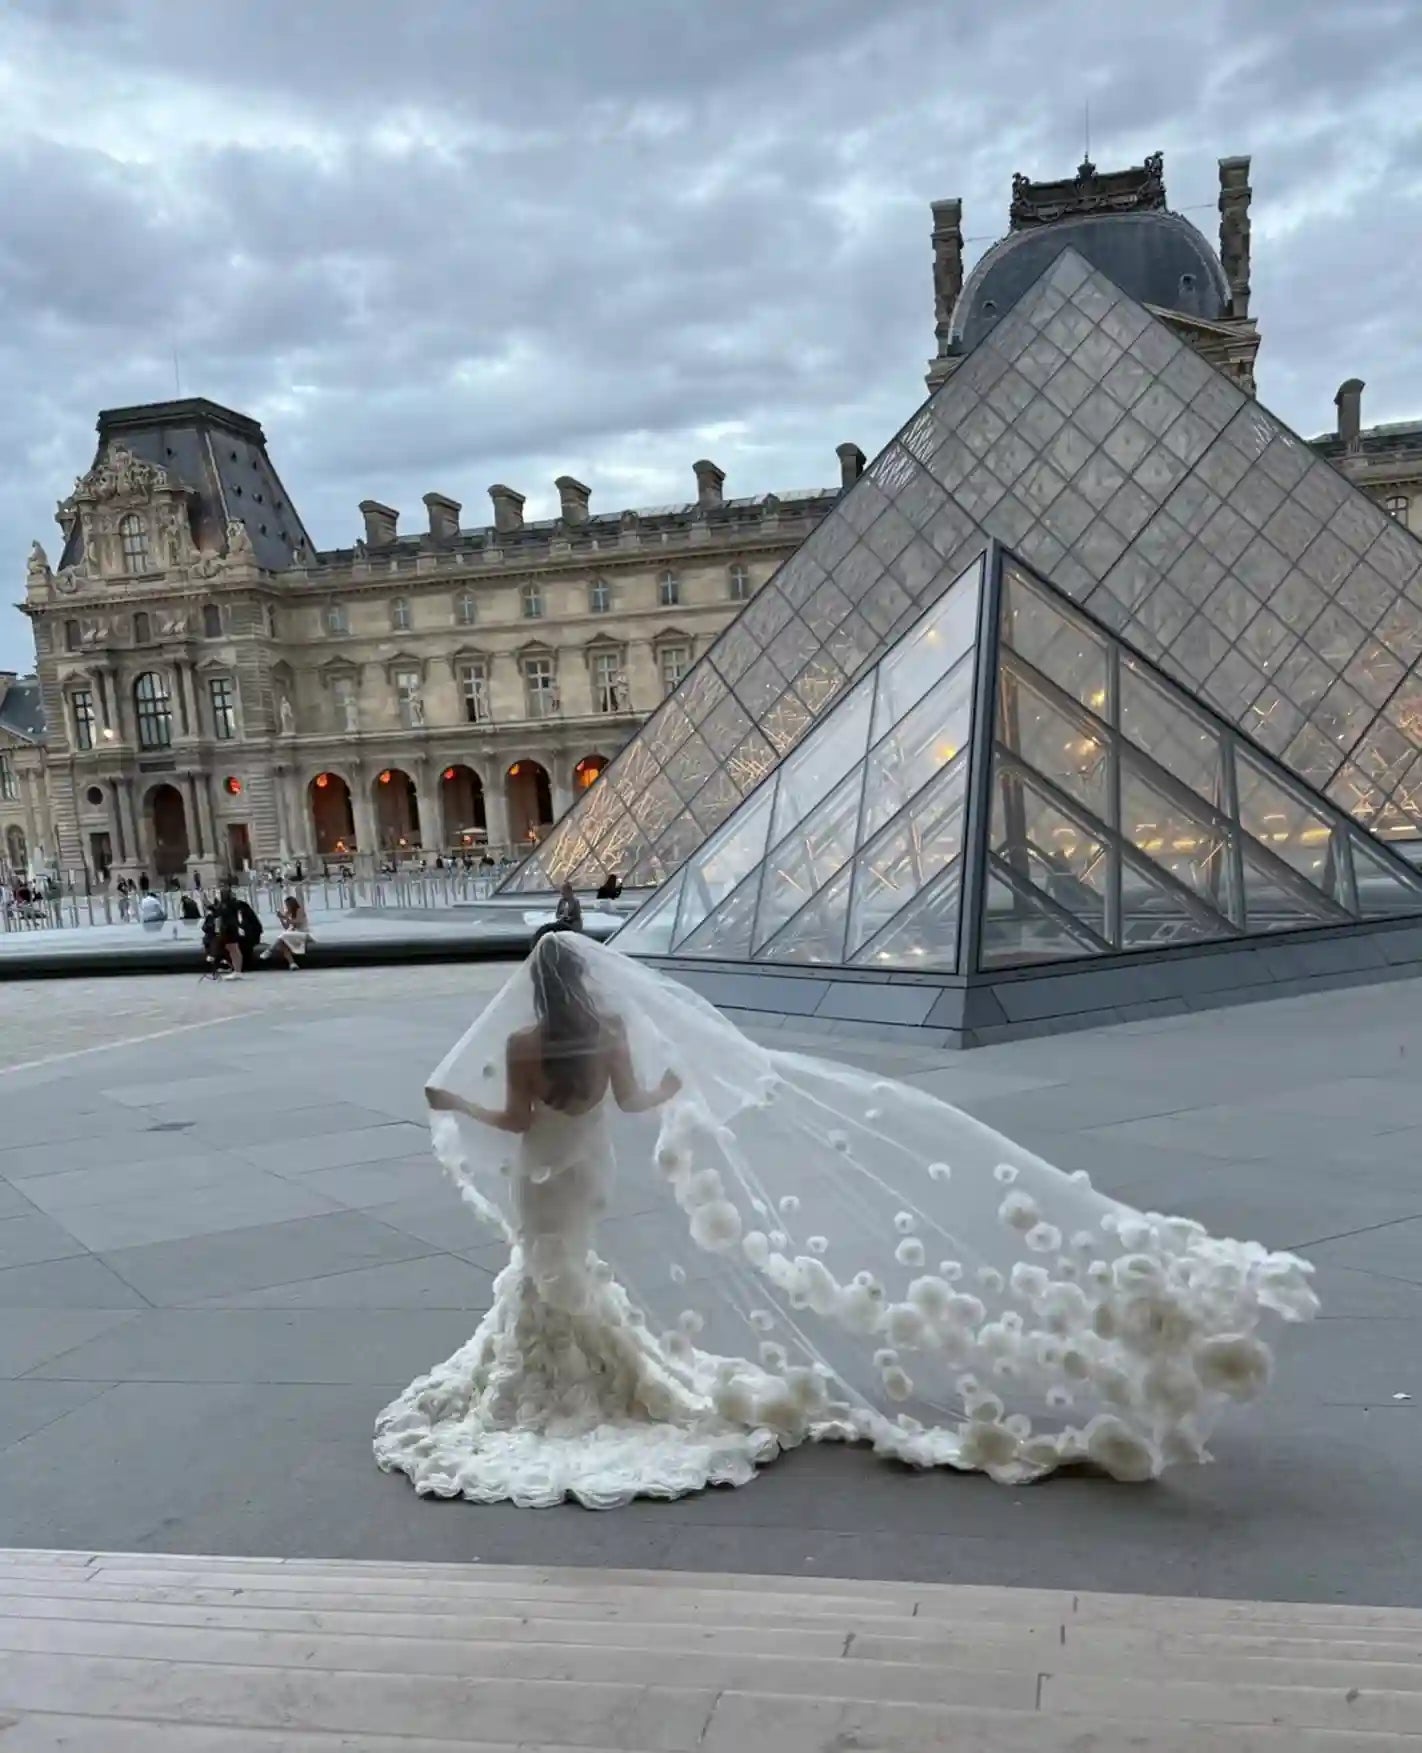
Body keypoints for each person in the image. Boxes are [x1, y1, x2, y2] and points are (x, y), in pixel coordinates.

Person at [374, 934, 1319, 1510]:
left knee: (547, 1270)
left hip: (548, 1171)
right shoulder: (607, 1035)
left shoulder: (523, 1042)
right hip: (591, 1169)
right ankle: (601, 1368)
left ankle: (561, 1373)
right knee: (566, 1266)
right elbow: (633, 1099)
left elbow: (511, 1121)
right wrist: (691, 1081)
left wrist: (450, 1096)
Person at [263, 893, 312, 969]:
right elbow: (286, 927)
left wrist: (285, 918)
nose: (286, 907)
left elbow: (298, 922)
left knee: (283, 935)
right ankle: (292, 964)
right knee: (283, 944)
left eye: (287, 905)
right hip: (293, 935)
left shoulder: (299, 910)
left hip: (302, 934)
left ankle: (270, 950)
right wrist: (281, 918)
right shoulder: (288, 913)